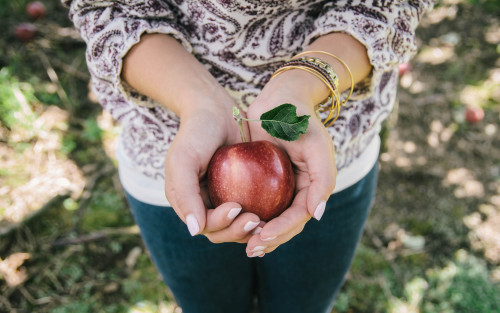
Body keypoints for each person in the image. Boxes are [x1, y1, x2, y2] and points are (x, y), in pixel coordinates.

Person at [63, 1, 433, 312]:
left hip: (325, 159)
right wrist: (197, 103)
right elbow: (107, 8)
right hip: (178, 167)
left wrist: (304, 86)